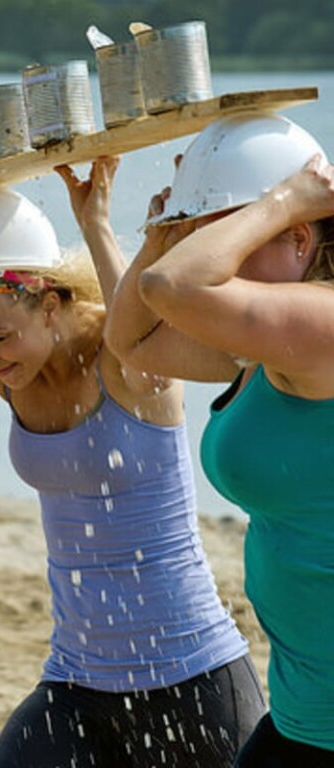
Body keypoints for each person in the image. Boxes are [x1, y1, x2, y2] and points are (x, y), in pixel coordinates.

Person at [0, 165, 266, 767]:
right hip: (78, 682)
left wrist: (96, 224)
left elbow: (146, 327)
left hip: (192, 672)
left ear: (49, 306)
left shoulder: (126, 358)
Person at [105, 111, 334, 767]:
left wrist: (284, 197)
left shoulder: (322, 324)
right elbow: (134, 344)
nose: (219, 253)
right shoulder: (266, 348)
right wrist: (166, 233)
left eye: (235, 233)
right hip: (305, 708)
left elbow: (170, 288)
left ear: (296, 238)